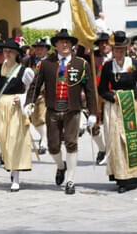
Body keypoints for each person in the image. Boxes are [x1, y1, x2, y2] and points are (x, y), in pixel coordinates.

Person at [25, 29, 97, 195]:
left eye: (68, 42)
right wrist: (30, 103)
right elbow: (35, 85)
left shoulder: (81, 64)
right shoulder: (46, 64)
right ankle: (61, 166)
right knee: (53, 146)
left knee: (71, 143)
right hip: (52, 109)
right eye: (61, 42)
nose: (65, 44)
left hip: (73, 110)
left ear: (72, 45)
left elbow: (90, 90)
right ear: (55, 45)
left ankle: (70, 180)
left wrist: (93, 113)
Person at [98, 31, 137, 193]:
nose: (118, 53)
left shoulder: (135, 64)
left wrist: (129, 95)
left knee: (133, 140)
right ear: (112, 50)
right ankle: (121, 176)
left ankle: (134, 176)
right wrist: (113, 97)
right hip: (114, 108)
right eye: (115, 50)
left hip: (132, 106)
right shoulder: (108, 66)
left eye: (121, 50)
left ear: (126, 49)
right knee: (116, 141)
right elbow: (101, 89)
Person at [0, 38, 34, 192]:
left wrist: (22, 98)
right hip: (1, 107)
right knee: (1, 136)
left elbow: (31, 90)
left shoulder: (25, 71)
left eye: (9, 51)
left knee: (14, 140)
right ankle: (10, 165)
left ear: (16, 54)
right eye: (4, 51)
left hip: (15, 107)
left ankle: (16, 176)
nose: (6, 54)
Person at [24, 37, 51, 154]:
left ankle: (44, 142)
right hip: (31, 93)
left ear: (46, 50)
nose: (39, 50)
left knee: (41, 118)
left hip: (45, 94)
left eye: (41, 48)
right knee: (34, 120)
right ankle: (45, 138)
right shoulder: (29, 61)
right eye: (37, 48)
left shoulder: (51, 61)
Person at [92, 32, 111, 165]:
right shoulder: (92, 57)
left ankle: (111, 152)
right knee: (92, 126)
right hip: (96, 96)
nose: (104, 45)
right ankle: (102, 149)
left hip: (112, 96)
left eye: (106, 42)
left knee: (111, 126)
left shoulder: (118, 57)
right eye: (101, 43)